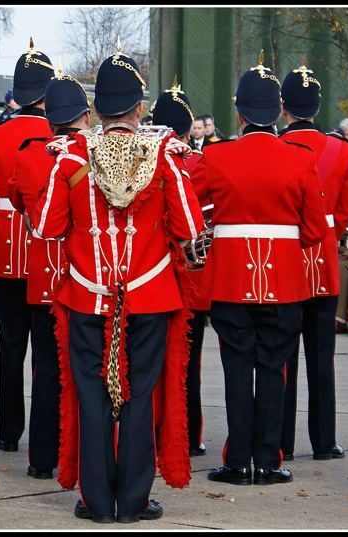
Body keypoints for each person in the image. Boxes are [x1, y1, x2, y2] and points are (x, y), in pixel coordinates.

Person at [33, 44, 203, 523]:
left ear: (97, 111)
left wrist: (63, 168)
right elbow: (190, 226)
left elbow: (46, 225)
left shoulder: (71, 155)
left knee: (90, 395)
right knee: (139, 395)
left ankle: (96, 499)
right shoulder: (164, 152)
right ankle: (132, 500)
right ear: (139, 108)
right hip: (149, 293)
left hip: (87, 293)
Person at [193, 50, 328, 486]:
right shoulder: (301, 160)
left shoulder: (216, 158)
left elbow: (192, 212)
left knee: (236, 368)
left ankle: (237, 460)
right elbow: (312, 232)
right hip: (284, 282)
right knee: (273, 368)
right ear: (279, 112)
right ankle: (268, 461)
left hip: (231, 280)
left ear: (239, 112)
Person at [7, 67, 88, 479]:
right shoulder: (93, 154)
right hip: (86, 277)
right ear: (85, 116)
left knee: (45, 368)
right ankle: (78, 454)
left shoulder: (28, 153)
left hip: (44, 277)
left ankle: (42, 457)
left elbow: (17, 202)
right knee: (86, 371)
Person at [0, 38, 55, 453]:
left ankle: (9, 433)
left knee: (11, 348)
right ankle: (46, 439)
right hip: (46, 249)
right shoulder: (56, 136)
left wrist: (3, 218)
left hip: (8, 247)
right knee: (46, 351)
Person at [278, 58, 348, 462]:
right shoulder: (340, 151)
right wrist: (326, 236)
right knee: (321, 359)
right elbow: (343, 214)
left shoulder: (278, 147)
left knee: (284, 358)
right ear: (317, 108)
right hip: (322, 257)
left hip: (286, 260)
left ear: (283, 108)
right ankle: (324, 441)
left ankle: (282, 443)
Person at [151, 76, 208, 457]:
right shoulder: (198, 162)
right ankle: (187, 433)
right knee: (189, 361)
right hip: (189, 273)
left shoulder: (145, 157)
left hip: (149, 271)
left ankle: (153, 430)